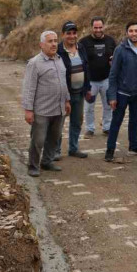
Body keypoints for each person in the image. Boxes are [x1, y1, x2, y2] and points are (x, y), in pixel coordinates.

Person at [21, 30, 71, 177]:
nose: (54, 44)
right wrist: (28, 110)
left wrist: (67, 100)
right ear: (41, 44)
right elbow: (29, 88)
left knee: (54, 137)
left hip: (59, 108)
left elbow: (64, 83)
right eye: (50, 41)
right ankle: (33, 166)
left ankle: (47, 161)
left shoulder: (60, 59)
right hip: (42, 110)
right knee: (38, 140)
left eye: (55, 40)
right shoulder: (34, 63)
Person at [105, 21, 137, 162]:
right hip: (122, 94)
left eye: (136, 31)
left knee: (135, 121)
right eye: (131, 31)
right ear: (127, 33)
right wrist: (112, 96)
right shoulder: (120, 50)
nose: (134, 33)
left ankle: (133, 146)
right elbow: (113, 74)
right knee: (116, 122)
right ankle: (110, 150)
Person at [55, 21, 91, 159]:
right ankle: (55, 151)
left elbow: (86, 68)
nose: (72, 36)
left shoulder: (81, 47)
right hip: (64, 95)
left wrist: (87, 88)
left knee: (77, 122)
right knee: (59, 124)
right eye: (68, 33)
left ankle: (73, 148)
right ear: (63, 35)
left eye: (74, 33)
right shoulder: (58, 50)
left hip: (80, 93)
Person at [78, 17, 117, 138]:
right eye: (96, 27)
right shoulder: (83, 42)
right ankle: (90, 129)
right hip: (90, 82)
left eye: (100, 27)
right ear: (91, 28)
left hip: (106, 79)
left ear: (103, 27)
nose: (98, 30)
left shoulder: (111, 41)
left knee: (108, 105)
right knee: (89, 107)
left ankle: (107, 127)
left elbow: (116, 58)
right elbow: (79, 60)